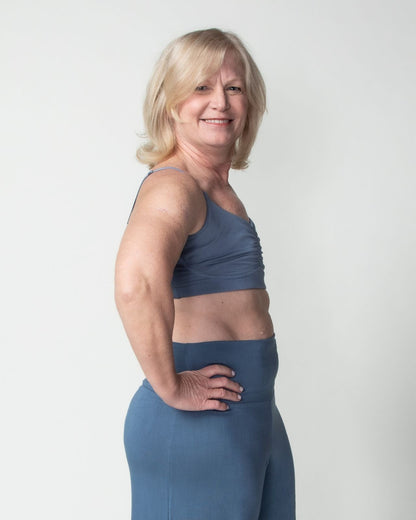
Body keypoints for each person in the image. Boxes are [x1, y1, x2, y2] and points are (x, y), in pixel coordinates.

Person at [114, 28, 296, 520]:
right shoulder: (174, 187)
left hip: (251, 414)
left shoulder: (216, 188)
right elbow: (135, 282)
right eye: (200, 87)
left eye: (233, 87)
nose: (220, 101)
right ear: (170, 102)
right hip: (199, 422)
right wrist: (171, 386)